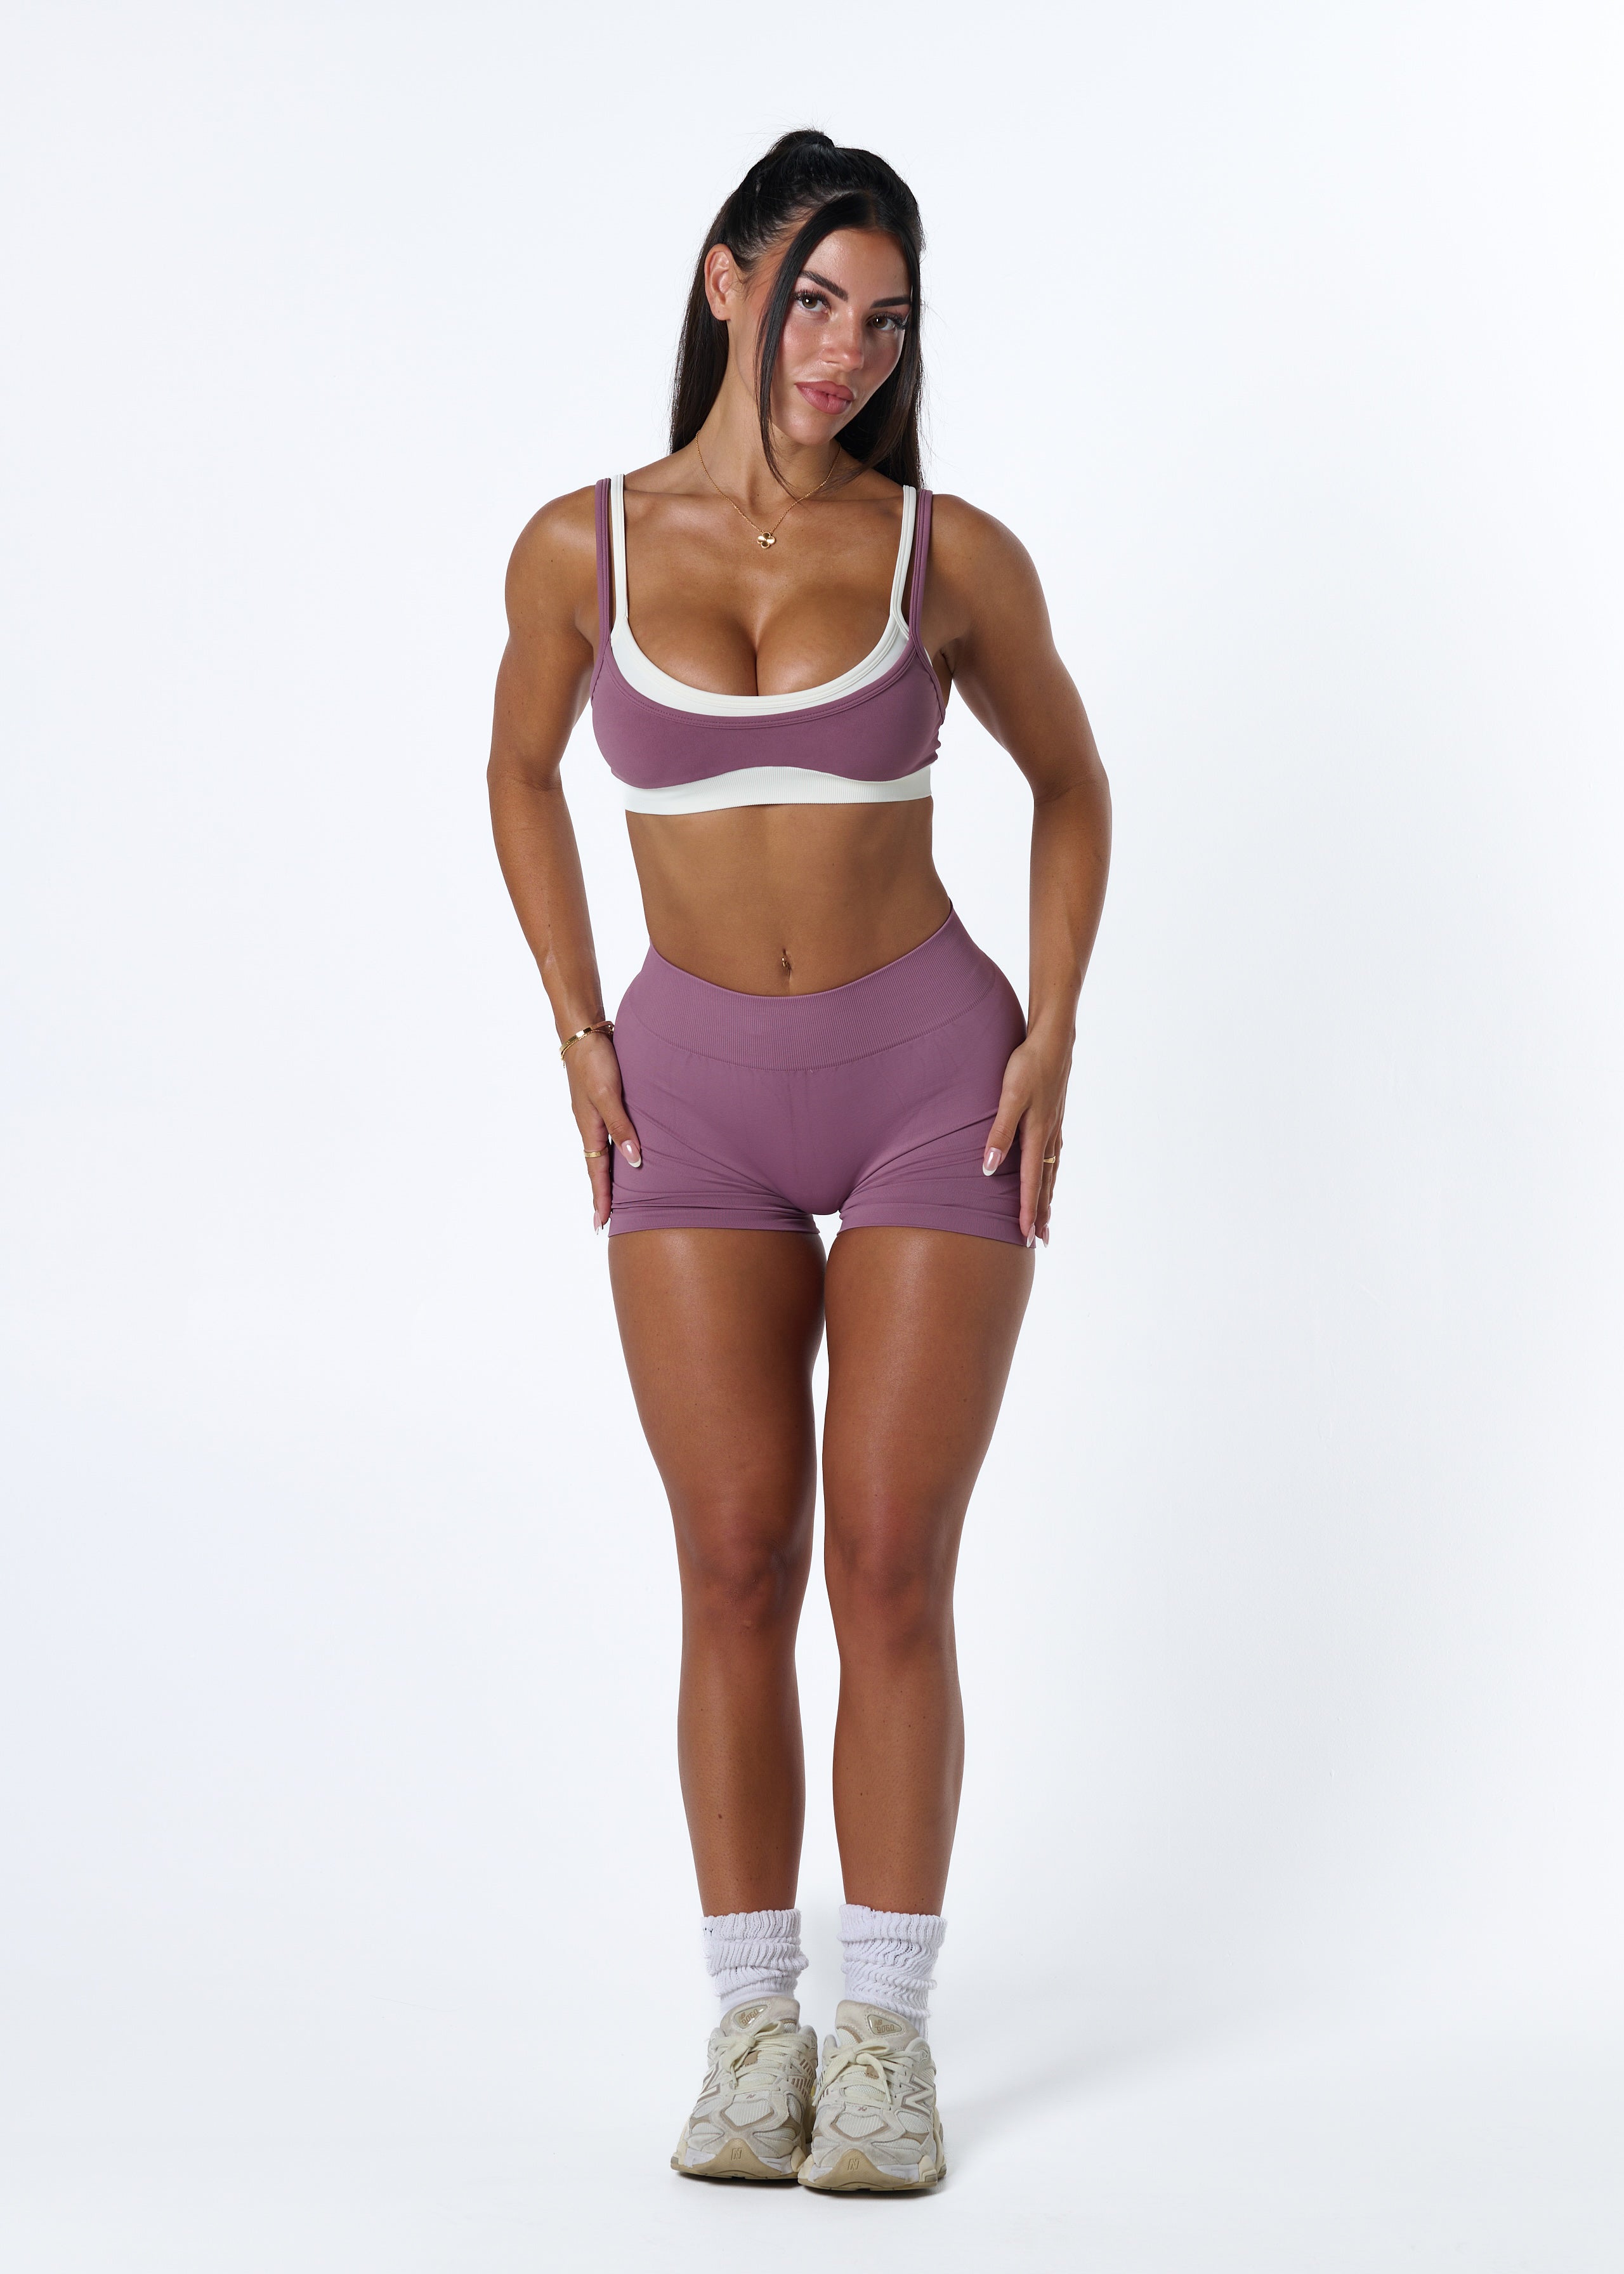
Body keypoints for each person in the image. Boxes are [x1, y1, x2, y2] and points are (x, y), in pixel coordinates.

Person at [488, 128, 1110, 2192]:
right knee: (734, 1562)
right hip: (691, 1099)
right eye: (818, 299)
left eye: (889, 320)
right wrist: (576, 1023)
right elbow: (514, 767)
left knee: (890, 1566)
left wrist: (1055, 1027)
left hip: (932, 1079)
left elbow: (1075, 783)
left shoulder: (948, 554)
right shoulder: (580, 546)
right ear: (727, 283)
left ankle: (889, 2041)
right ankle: (755, 2030)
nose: (849, 351)